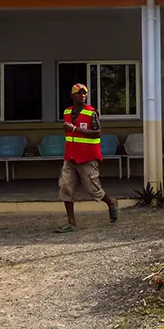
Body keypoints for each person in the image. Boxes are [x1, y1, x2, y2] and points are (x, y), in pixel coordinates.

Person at [57, 83, 119, 232]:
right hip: (70, 157)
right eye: (79, 93)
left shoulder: (91, 113)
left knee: (93, 190)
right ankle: (71, 223)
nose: (82, 95)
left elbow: (98, 132)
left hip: (87, 157)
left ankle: (110, 202)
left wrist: (75, 129)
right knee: (65, 187)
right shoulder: (66, 112)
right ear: (73, 96)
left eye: (84, 93)